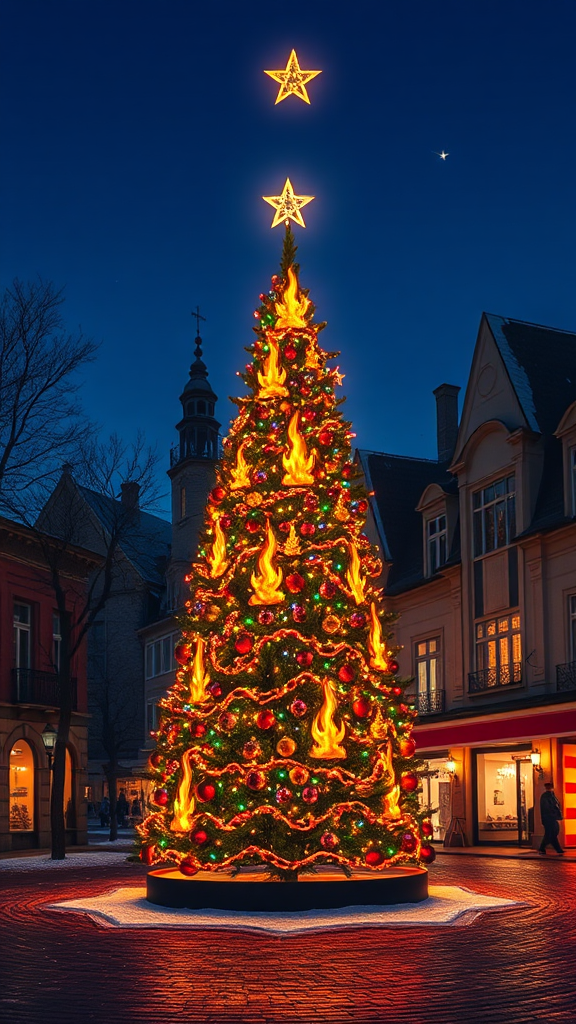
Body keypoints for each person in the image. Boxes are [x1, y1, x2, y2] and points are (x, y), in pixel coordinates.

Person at [538, 781, 564, 855]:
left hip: (551, 818)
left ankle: (542, 848)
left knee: (551, 833)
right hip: (549, 818)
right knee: (552, 833)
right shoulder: (546, 796)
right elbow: (548, 807)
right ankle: (557, 849)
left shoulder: (552, 796)